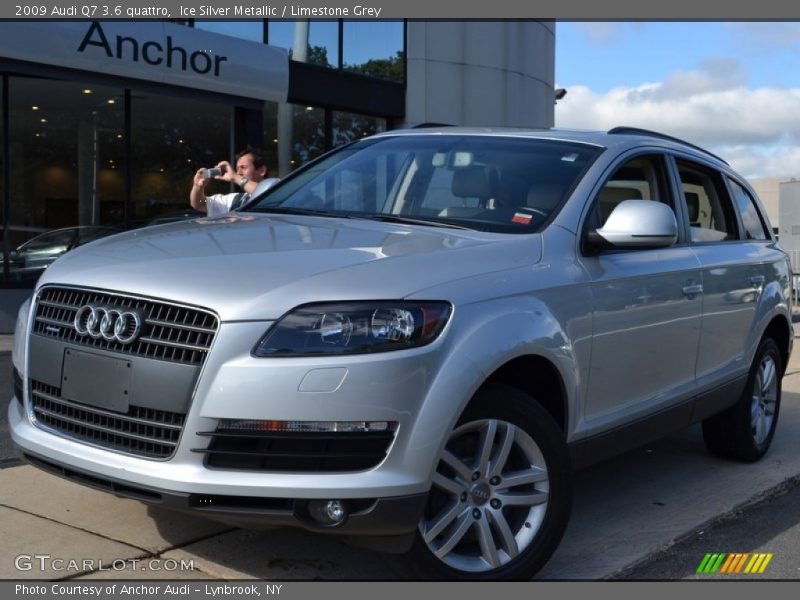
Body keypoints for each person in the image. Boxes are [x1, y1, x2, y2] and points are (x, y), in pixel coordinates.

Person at [190, 147, 279, 217]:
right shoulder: (234, 200)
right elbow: (200, 204)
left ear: (262, 170)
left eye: (243, 167)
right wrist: (198, 187)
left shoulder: (278, 189)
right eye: (237, 169)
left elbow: (269, 195)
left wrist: (234, 177)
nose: (238, 173)